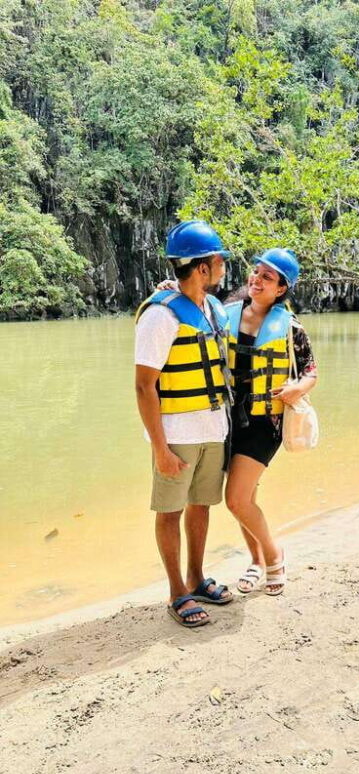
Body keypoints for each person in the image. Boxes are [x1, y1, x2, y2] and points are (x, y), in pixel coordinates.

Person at [134, 220, 234, 628]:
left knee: (201, 505)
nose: (225, 264)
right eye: (218, 258)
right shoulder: (160, 316)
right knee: (170, 511)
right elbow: (144, 386)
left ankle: (196, 577)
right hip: (177, 436)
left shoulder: (210, 308)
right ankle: (176, 591)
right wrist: (159, 448)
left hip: (213, 430)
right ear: (202, 268)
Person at [225, 248, 317, 596]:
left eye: (267, 277)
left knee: (236, 499)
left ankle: (273, 556)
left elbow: (311, 371)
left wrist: (297, 388)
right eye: (256, 272)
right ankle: (255, 561)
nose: (257, 280)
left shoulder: (291, 327)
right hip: (228, 419)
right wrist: (172, 288)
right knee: (246, 497)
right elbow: (194, 309)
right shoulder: (226, 313)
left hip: (267, 422)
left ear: (281, 288)